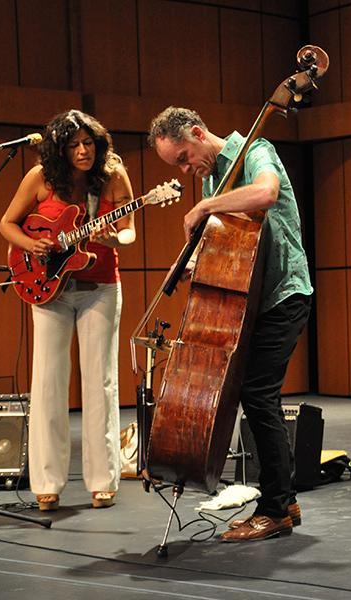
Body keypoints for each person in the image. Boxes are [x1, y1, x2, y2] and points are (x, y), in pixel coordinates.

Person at [148, 107, 312, 542]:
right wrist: (196, 263)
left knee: (257, 394)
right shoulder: (210, 176)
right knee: (257, 397)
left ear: (199, 133)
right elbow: (229, 242)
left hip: (283, 293)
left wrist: (206, 203)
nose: (185, 169)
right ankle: (284, 498)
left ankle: (275, 509)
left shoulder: (255, 151)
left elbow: (266, 193)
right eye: (177, 165)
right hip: (248, 298)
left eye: (184, 157)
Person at [0, 109, 136, 511]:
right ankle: (47, 483)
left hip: (100, 287)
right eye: (74, 145)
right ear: (59, 148)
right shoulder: (40, 178)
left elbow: (128, 230)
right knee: (48, 383)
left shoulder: (113, 175)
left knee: (101, 383)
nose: (83, 151)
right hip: (48, 287)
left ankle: (102, 482)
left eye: (88, 143)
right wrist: (30, 245)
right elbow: (7, 223)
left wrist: (115, 239)